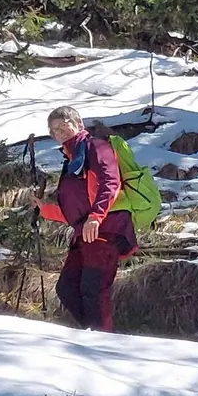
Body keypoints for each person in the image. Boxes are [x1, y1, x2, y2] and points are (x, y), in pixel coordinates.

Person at [36, 106, 138, 331]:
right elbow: (75, 209)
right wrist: (45, 210)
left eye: (65, 125)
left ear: (79, 123)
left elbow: (110, 182)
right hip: (86, 233)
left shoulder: (96, 147)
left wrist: (95, 217)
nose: (61, 132)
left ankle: (103, 342)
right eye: (55, 130)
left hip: (107, 228)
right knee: (67, 288)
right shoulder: (72, 160)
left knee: (93, 289)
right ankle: (92, 335)